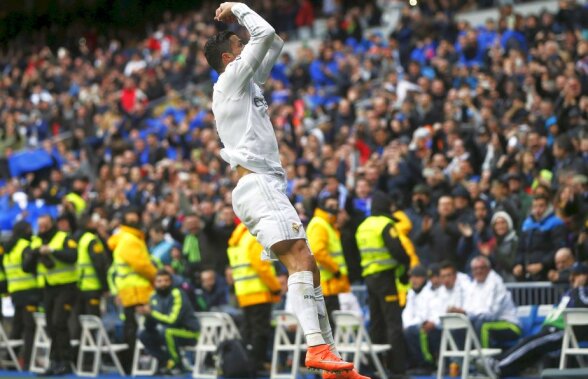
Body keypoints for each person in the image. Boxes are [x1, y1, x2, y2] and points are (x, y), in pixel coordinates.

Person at [204, 2, 362, 377]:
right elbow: (266, 34)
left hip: (265, 184)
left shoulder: (247, 85)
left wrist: (254, 36)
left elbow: (273, 45)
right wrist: (237, 7)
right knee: (300, 259)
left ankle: (331, 364)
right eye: (239, 46)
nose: (246, 46)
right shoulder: (228, 82)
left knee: (310, 268)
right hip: (257, 183)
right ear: (228, 58)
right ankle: (318, 349)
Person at [484, 262, 588, 377]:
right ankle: (503, 367)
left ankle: (499, 365)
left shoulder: (582, 291)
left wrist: (580, 287)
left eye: (577, 275)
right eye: (572, 275)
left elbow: (582, 303)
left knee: (532, 343)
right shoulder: (571, 290)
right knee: (532, 345)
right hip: (555, 327)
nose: (572, 278)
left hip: (565, 330)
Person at [355, 191, 410, 375]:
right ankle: (398, 369)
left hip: (369, 278)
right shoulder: (385, 224)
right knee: (393, 322)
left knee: (376, 323)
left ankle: (376, 366)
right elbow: (398, 251)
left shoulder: (362, 226)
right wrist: (406, 266)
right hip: (386, 279)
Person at [22, 214, 78, 375]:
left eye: (45, 226)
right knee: (50, 325)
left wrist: (52, 251)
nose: (42, 229)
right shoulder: (37, 241)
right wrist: (34, 254)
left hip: (67, 286)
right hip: (48, 288)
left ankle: (65, 361)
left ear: (51, 225)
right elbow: (26, 267)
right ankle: (55, 361)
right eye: (40, 226)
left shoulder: (63, 238)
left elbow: (73, 256)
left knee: (59, 322)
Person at [227, 222, 282, 373]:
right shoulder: (253, 238)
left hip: (244, 293)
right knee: (260, 331)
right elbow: (261, 266)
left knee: (249, 331)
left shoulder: (236, 240)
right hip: (259, 292)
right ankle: (256, 365)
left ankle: (248, 364)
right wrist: (276, 287)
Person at [108, 207, 157, 374]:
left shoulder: (123, 238)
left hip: (127, 291)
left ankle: (129, 364)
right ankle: (131, 364)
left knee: (130, 327)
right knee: (141, 328)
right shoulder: (131, 240)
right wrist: (157, 277)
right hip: (138, 291)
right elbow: (142, 265)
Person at [449, 256, 520, 348]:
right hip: (486, 322)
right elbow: (469, 308)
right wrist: (461, 312)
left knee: (482, 326)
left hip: (509, 325)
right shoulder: (473, 285)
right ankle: (464, 360)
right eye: (475, 269)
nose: (478, 271)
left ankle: (485, 360)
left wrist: (466, 313)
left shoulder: (496, 283)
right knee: (458, 328)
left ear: (488, 269)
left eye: (482, 268)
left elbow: (491, 314)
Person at [138, 270, 199, 375]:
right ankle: (164, 361)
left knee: (167, 332)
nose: (163, 284)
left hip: (189, 332)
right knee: (143, 334)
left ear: (171, 282)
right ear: (154, 283)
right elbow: (150, 324)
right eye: (159, 281)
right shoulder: (153, 296)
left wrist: (152, 314)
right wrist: (146, 316)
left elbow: (172, 320)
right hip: (165, 332)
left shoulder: (177, 294)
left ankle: (177, 364)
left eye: (166, 280)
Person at [1, 220, 41, 370]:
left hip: (15, 291)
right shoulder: (24, 246)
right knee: (30, 327)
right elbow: (30, 266)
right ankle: (29, 362)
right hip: (29, 291)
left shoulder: (8, 248)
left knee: (17, 326)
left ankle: (10, 360)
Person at [307, 194, 351, 326]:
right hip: (326, 285)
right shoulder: (320, 224)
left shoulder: (327, 224)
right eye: (331, 206)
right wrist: (335, 269)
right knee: (330, 328)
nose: (335, 209)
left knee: (331, 327)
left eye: (337, 206)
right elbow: (318, 251)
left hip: (329, 285)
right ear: (322, 206)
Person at [73, 214, 111, 337]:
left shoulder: (80, 239)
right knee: (94, 323)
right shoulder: (91, 240)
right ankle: (92, 354)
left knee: (81, 323)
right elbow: (99, 264)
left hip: (81, 285)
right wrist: (105, 286)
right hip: (93, 286)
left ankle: (81, 354)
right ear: (88, 224)